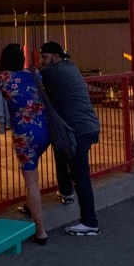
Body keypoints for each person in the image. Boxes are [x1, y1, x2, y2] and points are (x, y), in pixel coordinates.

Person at [0, 44, 49, 245]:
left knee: (31, 181)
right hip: (44, 128)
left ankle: (41, 231)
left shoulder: (3, 78)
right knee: (34, 173)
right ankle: (29, 205)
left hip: (25, 134)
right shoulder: (34, 73)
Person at [38, 41, 101, 236]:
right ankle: (66, 191)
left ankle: (89, 222)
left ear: (56, 57)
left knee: (81, 177)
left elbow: (31, 78)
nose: (41, 61)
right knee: (61, 151)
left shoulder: (51, 72)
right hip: (87, 126)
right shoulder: (71, 67)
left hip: (77, 131)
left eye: (44, 57)